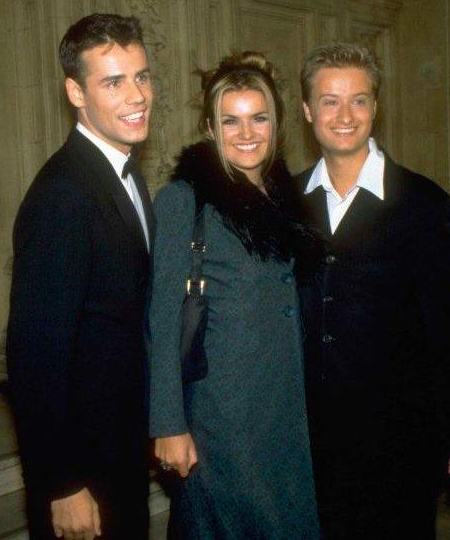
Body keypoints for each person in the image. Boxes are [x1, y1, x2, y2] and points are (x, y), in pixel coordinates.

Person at [296, 43, 450, 538]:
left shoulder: (424, 204)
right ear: (306, 110)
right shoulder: (285, 204)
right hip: (307, 442)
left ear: (376, 108)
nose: (344, 115)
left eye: (358, 100)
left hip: (399, 440)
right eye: (329, 101)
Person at [148, 51, 321, 539]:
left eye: (258, 118)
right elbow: (161, 319)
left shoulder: (284, 194)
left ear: (277, 123)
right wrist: (168, 424)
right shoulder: (186, 199)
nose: (247, 134)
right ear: (209, 126)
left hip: (285, 407)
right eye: (231, 121)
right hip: (222, 414)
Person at [6, 13, 154, 540]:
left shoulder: (124, 172)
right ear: (75, 91)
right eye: (113, 82)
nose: (136, 95)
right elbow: (34, 357)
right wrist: (61, 483)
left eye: (141, 76)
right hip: (83, 470)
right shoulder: (63, 194)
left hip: (120, 450)